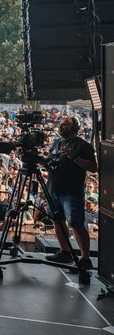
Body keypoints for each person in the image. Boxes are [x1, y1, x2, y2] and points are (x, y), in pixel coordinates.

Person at [44, 116, 97, 271]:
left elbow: (93, 167)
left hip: (71, 191)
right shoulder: (56, 143)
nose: (60, 126)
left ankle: (85, 258)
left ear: (74, 127)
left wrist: (74, 157)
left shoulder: (83, 146)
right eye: (60, 124)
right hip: (53, 189)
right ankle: (64, 252)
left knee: (76, 224)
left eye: (64, 124)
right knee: (57, 220)